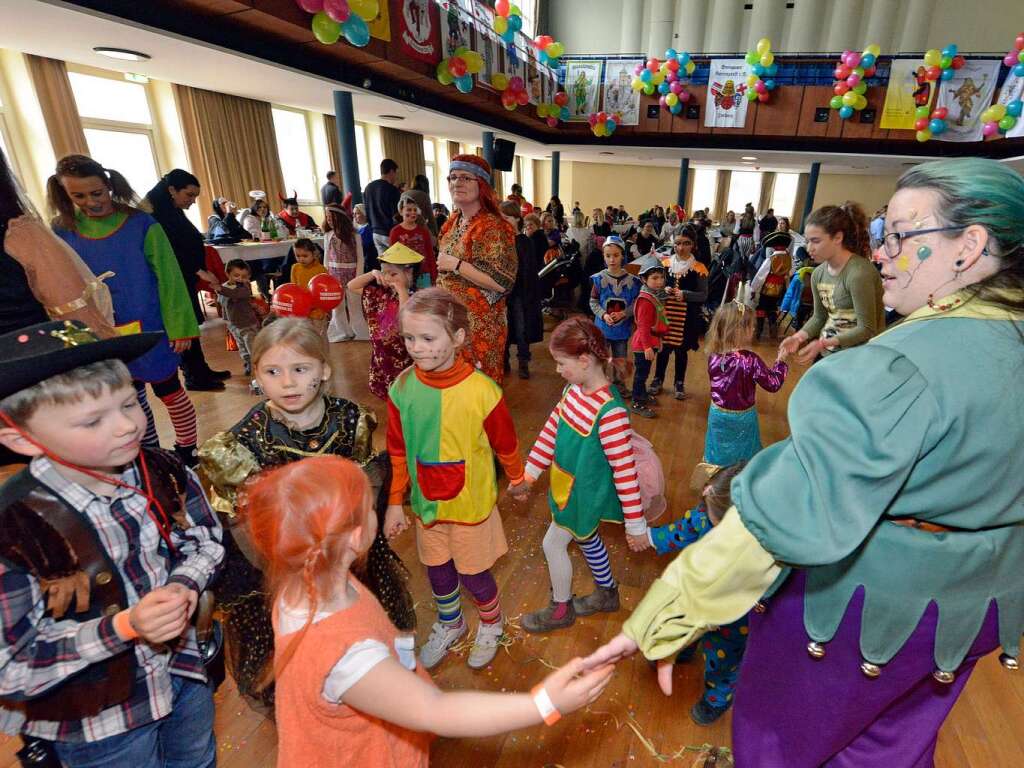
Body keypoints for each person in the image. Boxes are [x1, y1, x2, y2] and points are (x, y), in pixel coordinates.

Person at [584, 157, 1024, 767]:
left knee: (780, 740)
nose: (884, 253)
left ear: (968, 245)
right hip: (972, 608)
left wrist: (665, 616)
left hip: (869, 609)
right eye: (881, 236)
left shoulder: (899, 367)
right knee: (890, 746)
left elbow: (783, 519)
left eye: (900, 235)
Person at [246, 455, 614, 768]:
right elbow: (437, 711)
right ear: (357, 537)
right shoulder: (347, 658)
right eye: (368, 506)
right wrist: (544, 704)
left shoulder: (303, 580)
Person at [0, 320, 224, 767]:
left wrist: (183, 584)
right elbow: (12, 667)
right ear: (20, 439)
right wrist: (124, 627)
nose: (127, 426)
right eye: (93, 420)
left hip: (181, 673)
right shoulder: (14, 527)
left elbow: (205, 538)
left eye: (128, 403)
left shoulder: (161, 468)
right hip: (95, 722)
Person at [199, 318, 413, 709]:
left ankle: (362, 676)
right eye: (273, 372)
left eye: (300, 369)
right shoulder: (243, 440)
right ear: (257, 376)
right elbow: (243, 520)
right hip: (284, 561)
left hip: (346, 546)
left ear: (324, 370)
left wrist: (359, 533)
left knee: (354, 620)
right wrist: (287, 564)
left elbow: (366, 476)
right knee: (299, 638)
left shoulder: (351, 418)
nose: (288, 382)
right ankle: (309, 694)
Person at [384, 289, 526, 670]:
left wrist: (517, 478)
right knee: (437, 570)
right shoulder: (401, 388)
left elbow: (506, 443)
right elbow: (396, 451)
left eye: (428, 338)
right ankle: (451, 623)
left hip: (471, 505)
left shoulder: (483, 391)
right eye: (409, 338)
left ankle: (492, 623)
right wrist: (395, 501)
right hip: (427, 504)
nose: (417, 348)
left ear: (459, 337)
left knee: (474, 572)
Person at [49, 155, 204, 467]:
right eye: (78, 196)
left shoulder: (142, 224)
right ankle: (149, 456)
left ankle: (188, 452)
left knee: (170, 390)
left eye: (97, 193)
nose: (91, 202)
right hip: (100, 332)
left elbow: (170, 278)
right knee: (130, 397)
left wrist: (180, 327)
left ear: (109, 185)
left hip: (150, 326)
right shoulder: (61, 231)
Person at [512, 317, 647, 633]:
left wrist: (636, 526)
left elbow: (625, 473)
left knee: (553, 545)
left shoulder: (611, 413)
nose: (558, 370)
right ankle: (608, 592)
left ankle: (561, 610)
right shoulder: (572, 390)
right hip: (566, 485)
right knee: (587, 538)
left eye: (561, 363)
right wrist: (530, 474)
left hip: (584, 494)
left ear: (585, 361)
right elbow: (550, 432)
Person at [645, 461, 749, 725]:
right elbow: (682, 530)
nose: (705, 514)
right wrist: (650, 537)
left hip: (731, 619)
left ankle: (717, 698)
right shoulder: (705, 514)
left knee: (723, 660)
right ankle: (682, 651)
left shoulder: (756, 552)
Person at [144, 169, 230, 391]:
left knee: (189, 323)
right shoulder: (156, 214)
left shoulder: (171, 210)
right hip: (174, 280)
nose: (192, 201)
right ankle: (193, 376)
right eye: (189, 195)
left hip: (184, 277)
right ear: (172, 190)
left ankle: (201, 369)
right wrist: (199, 271)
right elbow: (172, 251)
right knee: (183, 325)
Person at [436, 155, 518, 384]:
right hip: (450, 321)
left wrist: (457, 265)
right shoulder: (453, 222)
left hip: (480, 325)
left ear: (481, 184)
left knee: (478, 389)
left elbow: (502, 283)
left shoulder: (493, 226)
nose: (457, 183)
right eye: (452, 177)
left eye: (465, 178)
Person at [778, 202, 885, 363]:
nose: (809, 248)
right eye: (808, 241)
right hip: (827, 353)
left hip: (858, 359)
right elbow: (819, 317)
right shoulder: (818, 274)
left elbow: (867, 329)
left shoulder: (859, 274)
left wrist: (823, 343)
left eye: (816, 241)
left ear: (837, 238)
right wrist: (798, 337)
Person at [700, 298, 788, 470]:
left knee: (717, 448)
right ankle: (743, 479)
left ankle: (715, 479)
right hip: (742, 418)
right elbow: (773, 384)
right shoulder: (750, 360)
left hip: (717, 414)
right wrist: (781, 362)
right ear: (738, 330)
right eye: (750, 325)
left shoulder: (713, 355)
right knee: (744, 452)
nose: (754, 328)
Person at [347, 243, 420, 400]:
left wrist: (401, 289)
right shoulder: (378, 293)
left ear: (409, 274)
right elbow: (352, 286)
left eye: (393, 274)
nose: (387, 278)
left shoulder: (415, 297)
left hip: (404, 359)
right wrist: (373, 274)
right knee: (389, 396)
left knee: (406, 394)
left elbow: (406, 316)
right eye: (385, 273)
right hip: (382, 357)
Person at [650, 227, 709, 400]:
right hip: (666, 315)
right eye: (677, 243)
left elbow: (703, 295)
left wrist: (685, 294)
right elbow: (655, 287)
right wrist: (663, 288)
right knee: (663, 349)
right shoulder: (665, 264)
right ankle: (658, 378)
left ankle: (679, 381)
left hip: (686, 318)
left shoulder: (699, 268)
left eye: (686, 243)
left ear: (693, 245)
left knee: (681, 352)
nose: (681, 248)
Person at [589, 236, 640, 396]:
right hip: (603, 328)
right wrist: (603, 315)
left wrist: (625, 313)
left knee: (620, 359)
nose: (612, 259)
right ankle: (600, 384)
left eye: (616, 255)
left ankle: (619, 385)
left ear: (622, 255)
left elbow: (637, 304)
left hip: (621, 330)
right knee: (600, 357)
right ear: (603, 256)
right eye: (608, 255)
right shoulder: (599, 279)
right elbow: (593, 302)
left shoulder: (633, 281)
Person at [499, 200, 543, 380]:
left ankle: (523, 361)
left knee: (520, 328)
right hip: (501, 292)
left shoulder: (524, 241)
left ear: (517, 219)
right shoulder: (500, 240)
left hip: (519, 294)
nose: (503, 221)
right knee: (504, 329)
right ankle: (504, 360)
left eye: (507, 217)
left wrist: (526, 294)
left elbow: (528, 270)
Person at [202, 258, 260, 377]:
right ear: (228, 274)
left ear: (248, 276)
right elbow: (223, 303)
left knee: (252, 347)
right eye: (236, 275)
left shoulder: (244, 287)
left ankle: (259, 366)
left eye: (244, 276)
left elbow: (234, 294)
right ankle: (248, 363)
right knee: (242, 347)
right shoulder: (225, 286)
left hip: (247, 324)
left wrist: (220, 289)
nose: (240, 279)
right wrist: (227, 320)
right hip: (234, 324)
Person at [627, 254, 669, 419]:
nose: (659, 281)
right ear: (644, 279)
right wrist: (646, 347)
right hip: (644, 344)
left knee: (644, 372)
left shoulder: (653, 294)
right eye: (654, 278)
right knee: (641, 374)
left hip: (651, 341)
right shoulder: (645, 300)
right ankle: (637, 402)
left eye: (661, 277)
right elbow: (643, 327)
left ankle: (642, 394)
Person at [323, 204, 368, 343]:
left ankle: (360, 332)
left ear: (339, 218)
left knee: (355, 305)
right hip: (334, 276)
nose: (329, 220)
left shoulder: (355, 236)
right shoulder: (328, 235)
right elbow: (326, 257)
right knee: (337, 306)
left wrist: (358, 277)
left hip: (352, 276)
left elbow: (360, 258)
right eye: (327, 217)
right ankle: (341, 332)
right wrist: (326, 275)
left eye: (331, 217)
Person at [752, 229, 793, 340]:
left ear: (775, 247)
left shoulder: (771, 259)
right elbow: (789, 273)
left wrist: (753, 288)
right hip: (779, 288)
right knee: (772, 307)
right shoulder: (789, 258)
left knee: (761, 307)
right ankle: (773, 325)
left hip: (767, 288)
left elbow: (760, 276)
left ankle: (759, 330)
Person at [390, 194, 436, 287]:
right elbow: (393, 256)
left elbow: (430, 253)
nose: (413, 212)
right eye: (409, 210)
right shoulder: (395, 231)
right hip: (405, 274)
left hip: (424, 274)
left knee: (424, 300)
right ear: (401, 211)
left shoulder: (423, 231)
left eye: (415, 210)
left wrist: (434, 274)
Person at [363, 159, 401, 259]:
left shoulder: (368, 188)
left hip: (375, 233)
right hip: (390, 233)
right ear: (392, 171)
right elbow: (397, 215)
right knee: (397, 265)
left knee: (385, 266)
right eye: (396, 173)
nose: (396, 177)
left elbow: (366, 211)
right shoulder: (392, 190)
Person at [406, 174, 437, 239]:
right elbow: (431, 217)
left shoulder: (404, 193)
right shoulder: (424, 195)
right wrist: (436, 233)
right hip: (418, 229)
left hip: (405, 228)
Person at [353, 202, 379, 273]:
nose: (354, 216)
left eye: (357, 213)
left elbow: (363, 248)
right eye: (354, 214)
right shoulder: (359, 228)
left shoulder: (368, 229)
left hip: (370, 264)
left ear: (364, 214)